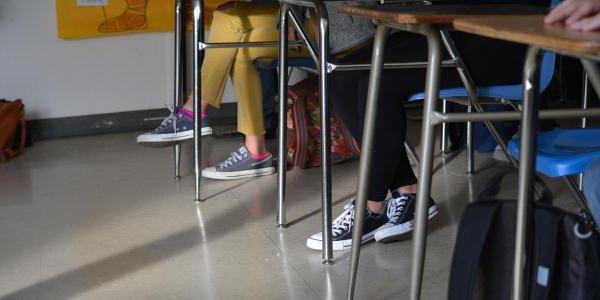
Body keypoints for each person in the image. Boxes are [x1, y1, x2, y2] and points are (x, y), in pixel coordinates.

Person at [306, 0, 550, 251]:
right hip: (455, 27)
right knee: (342, 76)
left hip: (509, 36)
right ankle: (408, 192)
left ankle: (371, 207)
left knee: (378, 81)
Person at [138, 2, 301, 180]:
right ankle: (254, 151)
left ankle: (193, 114)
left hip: (319, 22)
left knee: (236, 37)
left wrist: (296, 15)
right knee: (229, 17)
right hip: (293, 11)